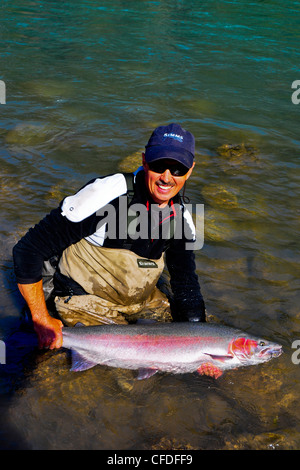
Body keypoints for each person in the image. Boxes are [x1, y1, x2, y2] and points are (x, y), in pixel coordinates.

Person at [13, 123, 206, 350]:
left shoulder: (182, 220)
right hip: (83, 300)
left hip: (138, 303)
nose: (166, 177)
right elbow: (28, 250)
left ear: (190, 170)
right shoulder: (107, 194)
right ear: (144, 161)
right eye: (158, 165)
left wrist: (201, 338)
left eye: (177, 169)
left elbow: (185, 284)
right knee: (128, 380)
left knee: (200, 327)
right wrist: (40, 318)